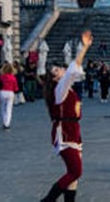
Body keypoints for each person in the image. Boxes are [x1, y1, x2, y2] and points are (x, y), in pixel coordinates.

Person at [41, 30, 93, 202]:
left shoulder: (66, 89)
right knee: (76, 171)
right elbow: (72, 70)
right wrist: (84, 47)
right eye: (57, 69)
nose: (61, 68)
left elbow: (74, 73)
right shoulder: (60, 89)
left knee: (73, 173)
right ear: (55, 78)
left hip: (73, 130)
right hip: (65, 132)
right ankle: (49, 199)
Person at [0, 63, 18, 130]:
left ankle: (4, 122)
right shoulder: (13, 77)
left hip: (2, 92)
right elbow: (16, 88)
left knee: (3, 108)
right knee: (9, 109)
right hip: (10, 92)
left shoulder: (1, 77)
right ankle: (7, 123)